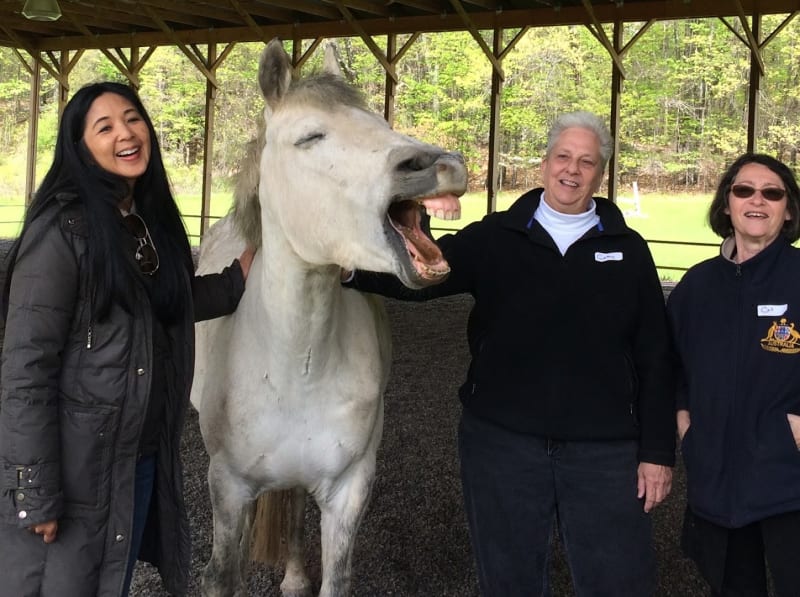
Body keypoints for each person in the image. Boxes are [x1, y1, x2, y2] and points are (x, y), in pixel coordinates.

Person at [345, 111, 675, 596]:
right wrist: (347, 270)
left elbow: (655, 354)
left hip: (604, 452)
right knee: (508, 582)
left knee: (617, 582)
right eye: (563, 156)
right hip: (502, 446)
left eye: (586, 162)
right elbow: (422, 278)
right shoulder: (495, 237)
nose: (572, 169)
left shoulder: (628, 250)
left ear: (601, 174)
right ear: (544, 164)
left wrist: (658, 453)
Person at [0, 81, 254, 597]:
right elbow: (26, 370)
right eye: (105, 126)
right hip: (74, 470)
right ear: (80, 147)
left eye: (133, 118)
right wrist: (34, 490)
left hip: (135, 457)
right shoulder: (61, 233)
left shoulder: (142, 221)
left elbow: (159, 306)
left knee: (110, 582)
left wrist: (237, 281)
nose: (126, 133)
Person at [667, 153, 800, 597]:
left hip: (789, 482)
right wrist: (685, 421)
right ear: (727, 204)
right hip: (717, 482)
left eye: (772, 193)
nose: (757, 200)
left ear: (788, 209)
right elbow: (671, 364)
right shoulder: (697, 286)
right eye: (744, 190)